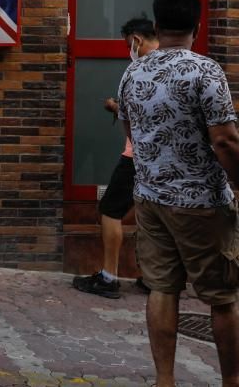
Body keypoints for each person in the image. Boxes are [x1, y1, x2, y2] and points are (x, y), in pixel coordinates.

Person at [118, 0, 239, 387]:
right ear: (197, 28)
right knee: (222, 295)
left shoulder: (135, 72)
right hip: (201, 203)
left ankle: (165, 380)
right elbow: (226, 141)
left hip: (150, 198)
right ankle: (233, 379)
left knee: (162, 289)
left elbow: (132, 130)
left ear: (157, 27)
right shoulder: (205, 71)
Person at [73, 17, 158, 299]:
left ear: (137, 39)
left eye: (127, 44)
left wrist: (115, 107)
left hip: (137, 155)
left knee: (110, 210)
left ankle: (109, 277)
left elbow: (133, 113)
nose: (128, 50)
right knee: (155, 215)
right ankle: (154, 278)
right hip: (166, 159)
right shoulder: (180, 66)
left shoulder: (139, 70)